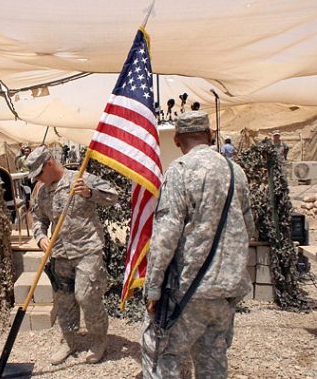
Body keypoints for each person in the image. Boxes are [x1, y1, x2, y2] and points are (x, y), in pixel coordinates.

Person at [141, 111, 255, 379]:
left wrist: (153, 288)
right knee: (212, 360)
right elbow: (248, 227)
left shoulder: (180, 171)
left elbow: (165, 236)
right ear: (211, 135)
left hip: (189, 290)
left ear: (178, 140)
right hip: (227, 290)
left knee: (159, 352)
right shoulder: (236, 172)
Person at [27, 145, 118, 365]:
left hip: (87, 249)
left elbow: (113, 195)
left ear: (49, 163)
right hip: (60, 253)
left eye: (39, 173)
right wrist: (40, 237)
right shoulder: (43, 190)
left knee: (87, 296)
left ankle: (99, 340)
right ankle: (68, 341)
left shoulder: (80, 178)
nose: (38, 178)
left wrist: (89, 193)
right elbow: (38, 218)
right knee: (64, 300)